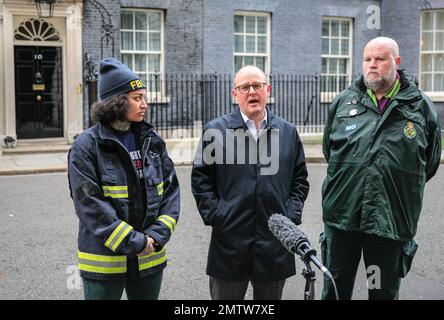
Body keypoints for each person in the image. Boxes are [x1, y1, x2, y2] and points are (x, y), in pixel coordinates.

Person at [320, 37, 441, 300]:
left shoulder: (420, 107)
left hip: (389, 222)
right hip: (342, 217)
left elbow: (428, 165)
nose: (372, 65)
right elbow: (331, 152)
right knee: (335, 289)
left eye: (380, 59)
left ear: (396, 62)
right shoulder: (343, 102)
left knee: (381, 292)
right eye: (367, 59)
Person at [191, 65, 310, 300]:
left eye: (257, 85)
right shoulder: (215, 131)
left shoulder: (287, 132)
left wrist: (290, 215)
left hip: (274, 245)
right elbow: (201, 180)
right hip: (230, 245)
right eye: (244, 87)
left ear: (268, 90)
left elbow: (300, 180)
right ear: (235, 94)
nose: (252, 91)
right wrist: (218, 214)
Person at [68, 58, 180, 300]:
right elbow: (90, 205)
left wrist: (155, 237)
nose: (145, 104)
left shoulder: (152, 140)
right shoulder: (86, 145)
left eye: (144, 97)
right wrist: (135, 242)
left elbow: (170, 192)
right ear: (117, 102)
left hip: (150, 255)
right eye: (137, 98)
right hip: (105, 262)